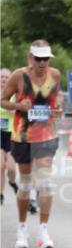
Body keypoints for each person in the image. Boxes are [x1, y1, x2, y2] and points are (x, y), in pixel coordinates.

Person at [1, 40, 62, 248]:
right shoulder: (19, 75)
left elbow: (56, 98)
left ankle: (44, 230)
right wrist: (18, 105)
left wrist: (58, 107)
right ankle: (22, 227)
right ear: (30, 58)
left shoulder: (55, 75)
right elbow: (2, 100)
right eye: (39, 59)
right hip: (22, 135)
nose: (43, 63)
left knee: (45, 181)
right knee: (26, 183)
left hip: (46, 134)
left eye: (46, 58)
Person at [1, 68, 18, 206]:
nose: (4, 80)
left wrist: (11, 109)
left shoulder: (15, 95)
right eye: (1, 77)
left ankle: (12, 182)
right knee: (0, 166)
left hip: (12, 134)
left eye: (7, 77)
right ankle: (0, 195)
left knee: (11, 168)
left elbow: (21, 111)